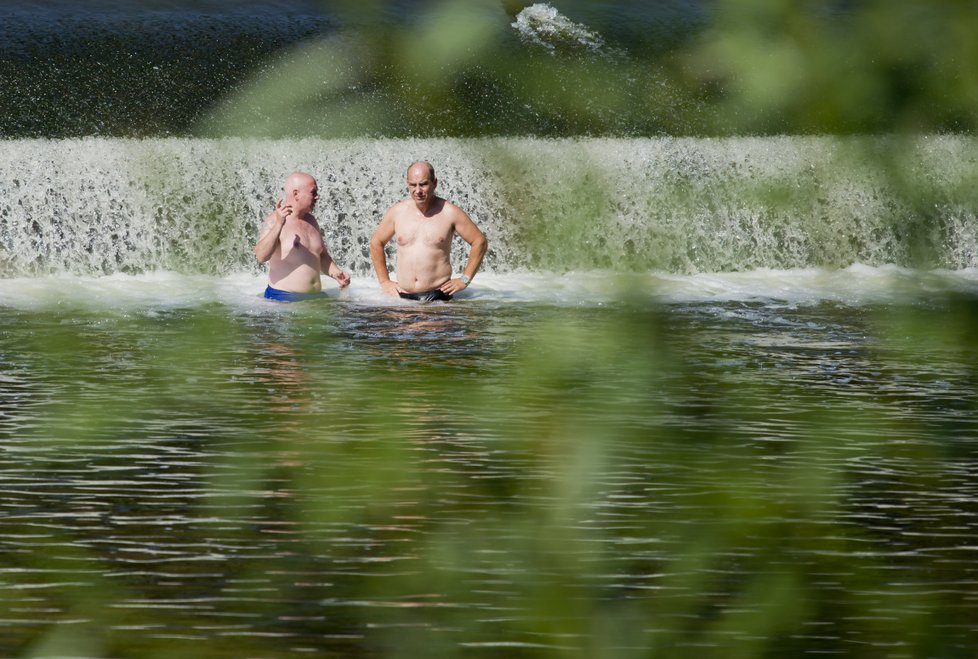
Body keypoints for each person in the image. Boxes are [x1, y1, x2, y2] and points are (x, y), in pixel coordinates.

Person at [370, 161, 487, 302]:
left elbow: (479, 241)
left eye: (423, 184)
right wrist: (384, 281)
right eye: (413, 185)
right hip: (402, 298)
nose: (418, 191)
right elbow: (376, 242)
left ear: (434, 183)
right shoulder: (397, 212)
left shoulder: (449, 212)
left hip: (438, 298)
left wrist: (464, 279)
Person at [255, 171, 350, 301]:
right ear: (296, 194)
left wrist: (336, 273)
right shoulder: (273, 221)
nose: (317, 197)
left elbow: (321, 255)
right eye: (313, 192)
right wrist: (279, 225)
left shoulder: (311, 221)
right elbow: (261, 256)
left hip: (314, 298)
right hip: (283, 301)